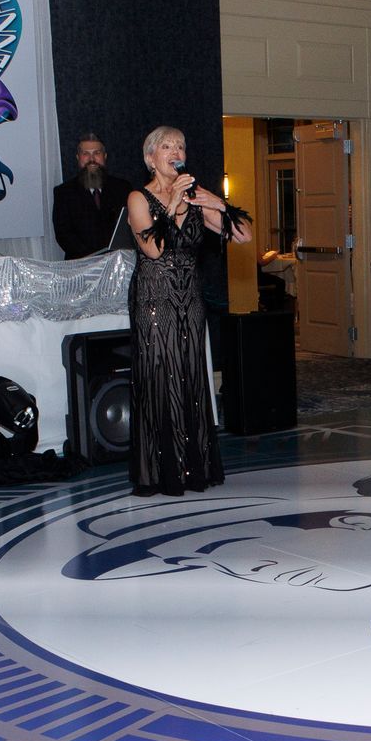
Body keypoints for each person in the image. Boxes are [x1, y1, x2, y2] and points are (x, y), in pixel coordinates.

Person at [125, 125, 247, 497]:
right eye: (167, 145)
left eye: (180, 144)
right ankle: (161, 471)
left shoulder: (194, 198)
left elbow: (243, 236)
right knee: (160, 377)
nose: (175, 150)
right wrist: (175, 203)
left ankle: (194, 466)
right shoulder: (138, 198)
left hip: (190, 300)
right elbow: (155, 250)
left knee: (191, 376)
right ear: (151, 158)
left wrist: (216, 203)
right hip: (153, 300)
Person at [52, 132, 133, 258]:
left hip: (118, 263)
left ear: (105, 156)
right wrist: (93, 259)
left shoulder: (123, 188)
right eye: (86, 154)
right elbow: (63, 235)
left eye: (97, 153)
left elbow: (130, 226)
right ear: (78, 158)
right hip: (81, 267)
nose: (92, 159)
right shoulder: (64, 193)